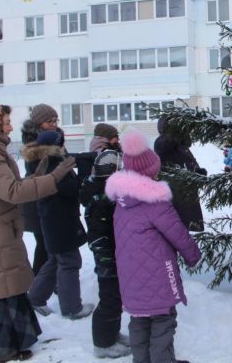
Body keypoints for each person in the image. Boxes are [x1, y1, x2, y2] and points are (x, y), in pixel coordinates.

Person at [0, 104, 75, 363]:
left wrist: (39, 175)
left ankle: (15, 341)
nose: (10, 126)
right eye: (6, 122)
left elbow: (11, 187)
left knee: (7, 286)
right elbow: (13, 192)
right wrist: (54, 179)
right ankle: (1, 349)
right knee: (0, 288)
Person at [106, 129, 201, 363]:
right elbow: (177, 232)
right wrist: (193, 255)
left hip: (129, 276)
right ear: (151, 170)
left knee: (138, 320)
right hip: (158, 273)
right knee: (163, 321)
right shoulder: (154, 201)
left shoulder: (121, 200)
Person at [25, 130, 92, 319]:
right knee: (70, 262)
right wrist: (84, 175)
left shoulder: (42, 161)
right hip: (59, 220)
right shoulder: (53, 165)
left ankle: (36, 298)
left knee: (55, 260)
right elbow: (69, 189)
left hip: (52, 219)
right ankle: (72, 308)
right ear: (57, 146)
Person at [80, 147, 131, 359]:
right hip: (107, 257)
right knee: (109, 298)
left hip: (113, 253)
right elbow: (99, 235)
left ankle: (112, 333)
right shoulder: (100, 200)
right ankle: (102, 343)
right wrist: (106, 260)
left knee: (116, 297)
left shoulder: (105, 193)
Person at [20, 103, 60, 276]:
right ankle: (39, 281)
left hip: (50, 202)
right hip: (38, 204)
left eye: (55, 120)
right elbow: (40, 175)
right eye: (48, 121)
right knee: (45, 245)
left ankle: (46, 280)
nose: (53, 124)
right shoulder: (34, 146)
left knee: (50, 244)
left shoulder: (55, 139)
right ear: (38, 123)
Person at [154, 117, 206, 231]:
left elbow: (190, 162)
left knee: (187, 227)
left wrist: (198, 172)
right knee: (177, 227)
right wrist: (174, 132)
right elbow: (164, 146)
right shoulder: (162, 142)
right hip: (175, 192)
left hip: (187, 191)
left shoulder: (182, 147)